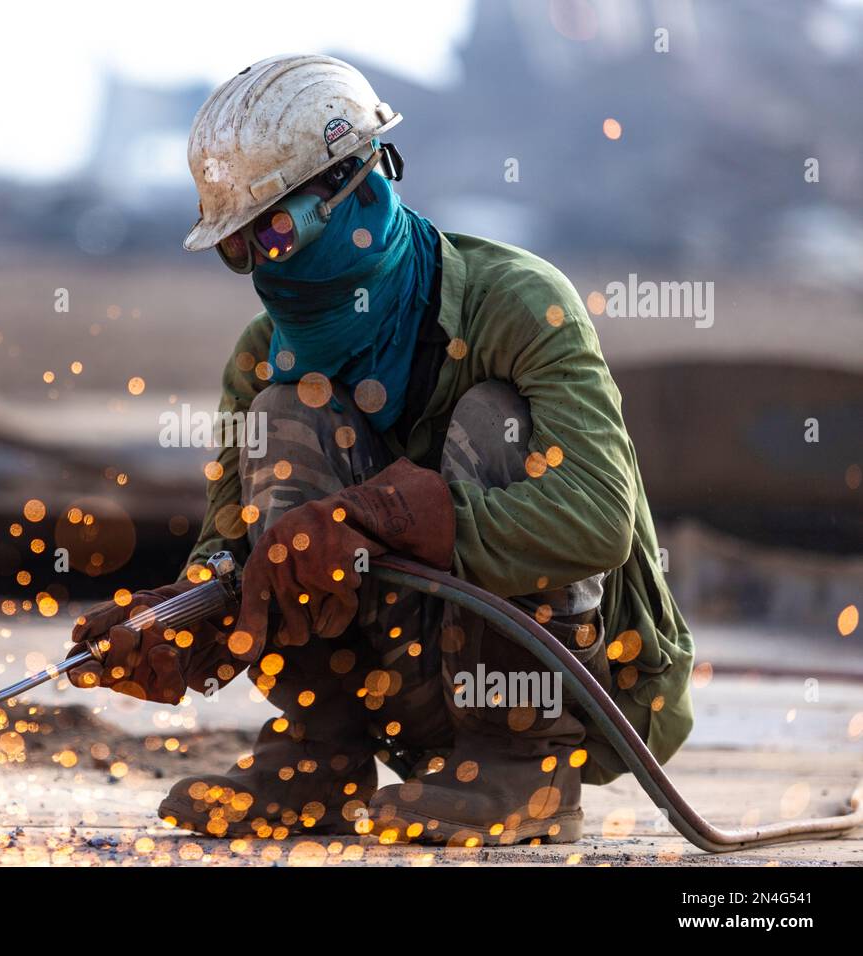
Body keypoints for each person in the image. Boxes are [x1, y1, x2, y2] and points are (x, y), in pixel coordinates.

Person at [69, 54, 694, 846]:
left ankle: (518, 767)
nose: (263, 261)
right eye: (239, 246)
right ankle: (319, 756)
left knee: (493, 420)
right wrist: (178, 618)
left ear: (361, 188)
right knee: (283, 414)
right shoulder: (263, 357)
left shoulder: (521, 305)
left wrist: (383, 514)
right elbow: (230, 552)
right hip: (399, 682)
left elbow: (597, 521)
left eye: (276, 228)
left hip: (586, 683)